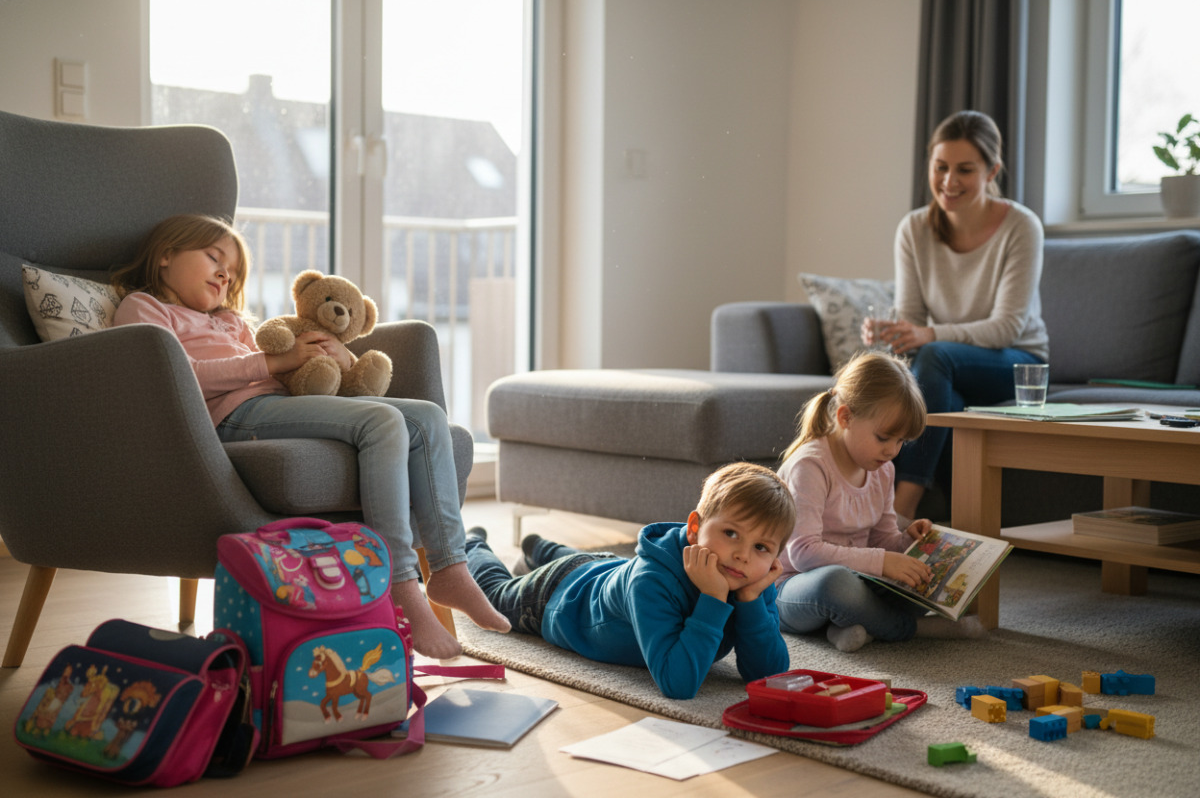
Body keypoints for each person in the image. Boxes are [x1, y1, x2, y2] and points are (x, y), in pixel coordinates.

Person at [110, 213, 509, 660]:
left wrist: (333, 358)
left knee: (428, 418)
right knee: (381, 422)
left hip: (277, 404)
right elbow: (174, 376)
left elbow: (285, 369)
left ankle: (451, 567)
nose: (226, 275)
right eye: (214, 257)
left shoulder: (232, 321)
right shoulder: (144, 309)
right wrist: (271, 364)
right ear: (166, 255)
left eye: (234, 271)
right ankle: (400, 582)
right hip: (233, 417)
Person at [462, 462, 796, 700]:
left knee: (586, 562)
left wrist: (751, 602)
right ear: (694, 527)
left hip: (606, 567)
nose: (742, 554)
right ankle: (472, 545)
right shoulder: (651, 579)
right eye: (731, 533)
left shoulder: (749, 579)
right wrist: (712, 597)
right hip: (559, 596)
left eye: (761, 547)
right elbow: (677, 684)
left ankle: (539, 546)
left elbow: (768, 675)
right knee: (492, 594)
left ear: (775, 557)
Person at [863, 109, 1048, 523]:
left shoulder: (1022, 226)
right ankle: (958, 527)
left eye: (965, 169)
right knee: (946, 399)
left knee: (935, 358)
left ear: (991, 170)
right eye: (940, 167)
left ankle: (898, 510)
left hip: (1018, 362)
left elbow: (1007, 327)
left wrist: (927, 334)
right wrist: (892, 333)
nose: (949, 181)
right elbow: (912, 320)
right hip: (947, 368)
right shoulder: (914, 229)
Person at [774, 352, 986, 652]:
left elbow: (882, 539)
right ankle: (907, 629)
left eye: (901, 441)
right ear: (845, 417)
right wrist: (884, 562)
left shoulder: (882, 470)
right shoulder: (810, 466)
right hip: (792, 587)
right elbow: (803, 554)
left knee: (916, 580)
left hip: (855, 583)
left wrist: (907, 544)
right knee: (834, 583)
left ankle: (849, 627)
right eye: (884, 437)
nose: (892, 451)